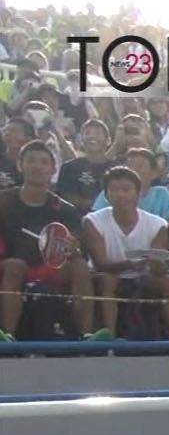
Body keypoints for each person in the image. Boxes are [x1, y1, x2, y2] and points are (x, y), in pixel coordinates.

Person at [0, 140, 94, 341]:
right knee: (15, 266)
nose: (37, 166)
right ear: (20, 165)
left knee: (79, 266)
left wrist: (74, 249)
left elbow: (77, 251)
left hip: (51, 268)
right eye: (31, 160)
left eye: (44, 162)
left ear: (53, 170)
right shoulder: (3, 202)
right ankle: (7, 336)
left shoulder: (65, 209)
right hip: (11, 267)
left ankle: (86, 335)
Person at [83, 167, 169, 339]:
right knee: (108, 280)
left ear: (138, 193)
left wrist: (158, 266)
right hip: (106, 274)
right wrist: (131, 264)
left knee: (166, 282)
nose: (120, 195)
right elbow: (100, 264)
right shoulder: (92, 221)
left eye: (126, 190)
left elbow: (157, 264)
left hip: (143, 276)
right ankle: (109, 338)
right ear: (106, 195)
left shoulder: (158, 224)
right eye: (114, 190)